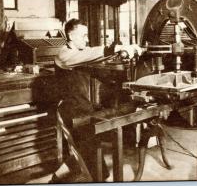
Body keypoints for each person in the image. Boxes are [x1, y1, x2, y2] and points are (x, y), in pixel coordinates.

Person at [50, 18, 143, 183]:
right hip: (70, 112)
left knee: (86, 151)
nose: (87, 39)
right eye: (83, 35)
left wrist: (126, 56)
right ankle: (59, 181)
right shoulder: (64, 54)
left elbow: (95, 59)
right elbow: (89, 54)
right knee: (88, 153)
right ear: (70, 36)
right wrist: (116, 48)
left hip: (83, 109)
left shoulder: (79, 53)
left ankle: (56, 180)